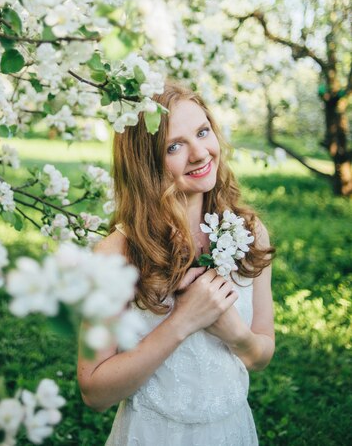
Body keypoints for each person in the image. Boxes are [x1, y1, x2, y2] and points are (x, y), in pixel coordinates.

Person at [77, 82, 275, 445]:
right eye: (174, 146)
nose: (200, 153)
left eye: (202, 132)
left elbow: (261, 355)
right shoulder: (116, 255)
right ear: (146, 162)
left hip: (230, 431)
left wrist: (236, 335)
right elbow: (94, 393)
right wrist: (182, 321)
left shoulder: (250, 234)